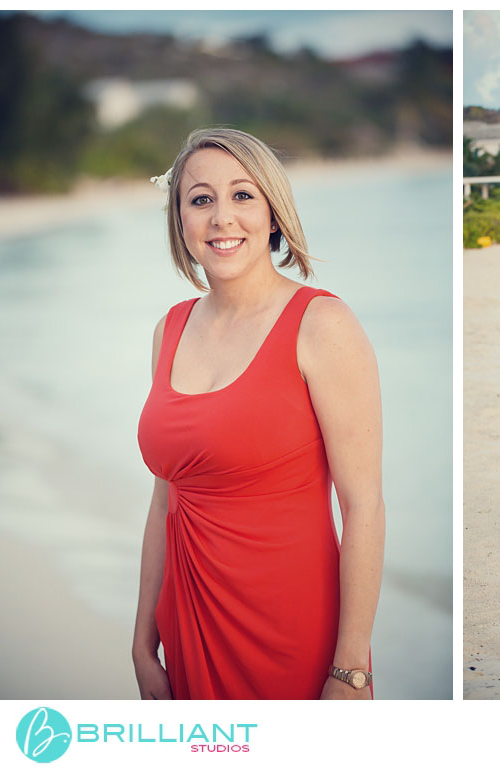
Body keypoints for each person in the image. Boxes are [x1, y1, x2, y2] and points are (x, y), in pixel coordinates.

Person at [133, 127, 385, 699]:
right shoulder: (169, 329)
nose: (222, 217)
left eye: (243, 195)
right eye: (201, 199)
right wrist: (143, 643)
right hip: (187, 624)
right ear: (180, 219)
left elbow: (364, 505)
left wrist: (351, 670)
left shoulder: (322, 325)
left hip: (292, 633)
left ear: (273, 213)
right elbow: (165, 500)